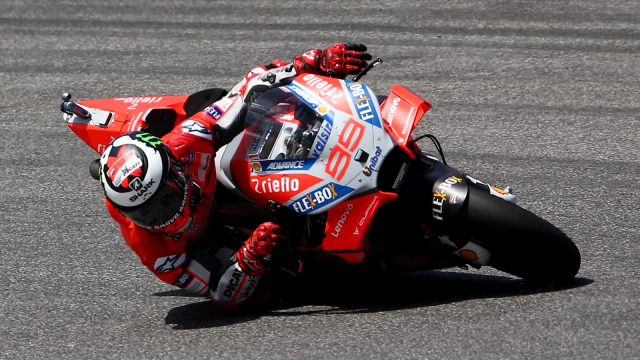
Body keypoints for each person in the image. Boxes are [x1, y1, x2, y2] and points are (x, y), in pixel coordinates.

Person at [99, 43, 372, 309]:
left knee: (276, 114)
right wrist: (248, 260)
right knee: (297, 282)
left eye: (163, 201)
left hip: (223, 185)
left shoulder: (186, 140)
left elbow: (247, 90)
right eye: (145, 214)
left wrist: (312, 62)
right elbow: (218, 292)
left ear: (176, 171)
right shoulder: (154, 250)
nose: (159, 218)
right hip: (216, 239)